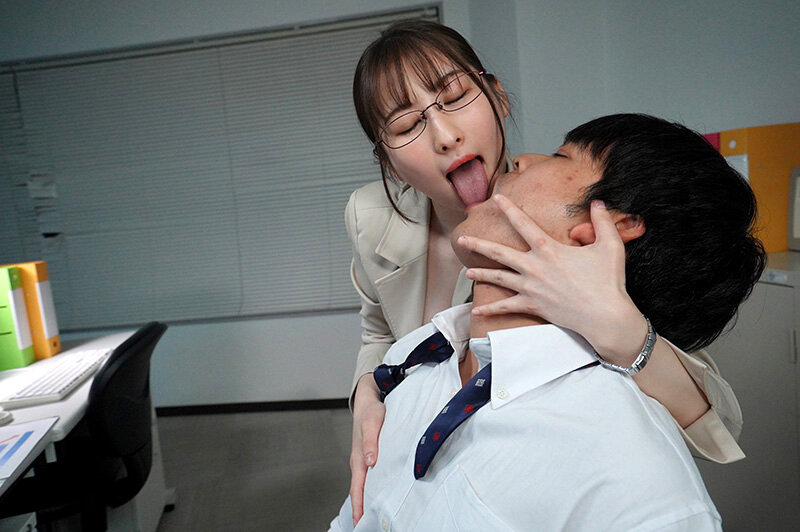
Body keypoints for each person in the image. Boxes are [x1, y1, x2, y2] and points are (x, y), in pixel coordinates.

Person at [346, 19, 744, 524]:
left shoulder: (563, 209)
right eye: (406, 127)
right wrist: (370, 390)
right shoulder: (369, 217)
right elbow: (378, 330)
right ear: (388, 162)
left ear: (497, 96)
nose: (445, 136)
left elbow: (713, 420)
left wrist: (619, 328)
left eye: (456, 97)